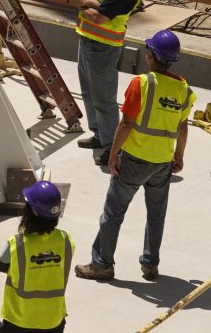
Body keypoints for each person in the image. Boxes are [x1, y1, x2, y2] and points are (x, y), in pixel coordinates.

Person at [75, 30, 193, 282]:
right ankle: (151, 265)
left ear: (150, 56)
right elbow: (183, 127)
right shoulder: (184, 89)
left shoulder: (141, 83)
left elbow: (126, 124)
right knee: (156, 214)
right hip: (162, 162)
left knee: (113, 213)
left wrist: (113, 155)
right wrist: (179, 156)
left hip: (134, 160)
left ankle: (102, 264)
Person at [69, 0, 142, 165]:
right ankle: (100, 136)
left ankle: (113, 148)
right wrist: (89, 2)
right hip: (86, 41)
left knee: (104, 100)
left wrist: (85, 6)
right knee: (89, 94)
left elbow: (98, 18)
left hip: (104, 48)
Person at [0, 181, 73, 333]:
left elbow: (1, 265)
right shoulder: (66, 240)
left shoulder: (16, 244)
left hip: (18, 321)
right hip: (53, 321)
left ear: (29, 213)